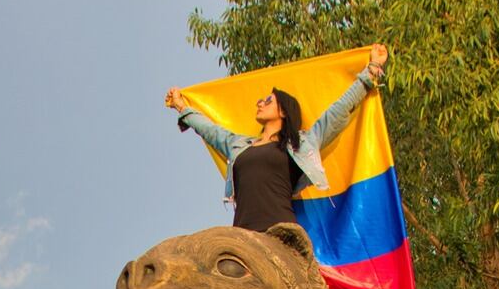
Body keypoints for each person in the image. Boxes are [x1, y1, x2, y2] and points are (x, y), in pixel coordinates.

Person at [165, 44, 389, 233]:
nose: (260, 103)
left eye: (267, 101)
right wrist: (182, 107)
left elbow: (337, 112)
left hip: (281, 234)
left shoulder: (300, 144)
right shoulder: (238, 145)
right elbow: (210, 130)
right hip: (242, 236)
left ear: (283, 111)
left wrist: (371, 70)